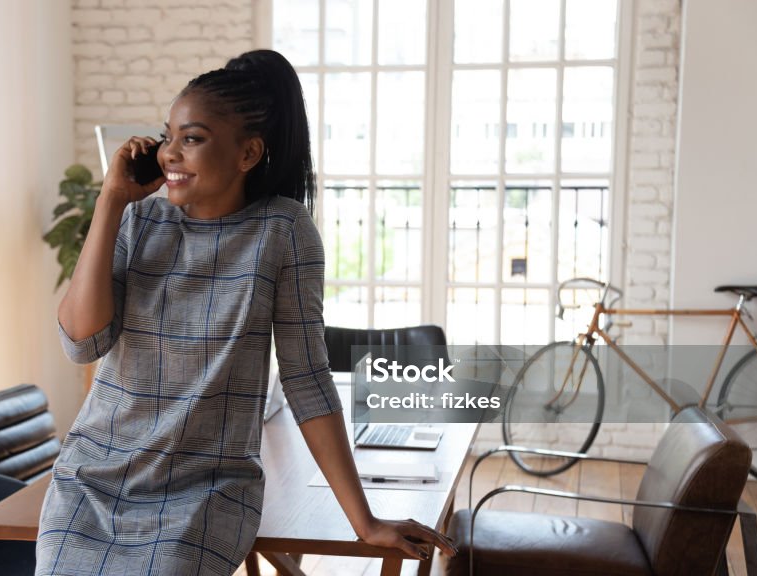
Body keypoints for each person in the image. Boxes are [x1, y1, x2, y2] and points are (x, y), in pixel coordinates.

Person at [38, 49, 456, 576]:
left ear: (248, 153)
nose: (170, 153)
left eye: (191, 138)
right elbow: (81, 342)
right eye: (167, 136)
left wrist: (364, 521)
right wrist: (111, 201)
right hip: (94, 477)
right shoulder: (138, 218)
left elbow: (307, 381)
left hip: (206, 488)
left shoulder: (281, 231)